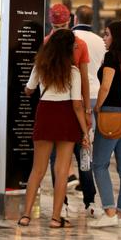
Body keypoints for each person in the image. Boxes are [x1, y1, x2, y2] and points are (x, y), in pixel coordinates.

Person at [18, 29, 89, 228]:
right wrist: (85, 131)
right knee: (61, 171)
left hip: (45, 114)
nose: (76, 48)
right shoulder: (73, 72)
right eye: (74, 45)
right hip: (66, 117)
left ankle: (25, 215)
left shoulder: (40, 66)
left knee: (37, 170)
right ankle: (56, 218)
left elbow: (29, 90)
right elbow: (76, 104)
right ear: (67, 48)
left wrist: (32, 88)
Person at [88, 21, 121, 228]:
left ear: (116, 37)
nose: (104, 38)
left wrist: (97, 107)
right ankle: (120, 215)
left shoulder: (111, 57)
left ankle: (109, 211)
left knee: (99, 164)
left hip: (110, 114)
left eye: (107, 34)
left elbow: (106, 86)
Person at [44, 4, 94, 214]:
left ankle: (89, 201)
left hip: (73, 107)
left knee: (83, 154)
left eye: (63, 26)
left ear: (70, 22)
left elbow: (84, 78)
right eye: (57, 27)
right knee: (58, 159)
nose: (60, 30)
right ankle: (61, 202)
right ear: (51, 24)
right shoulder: (47, 43)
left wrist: (87, 108)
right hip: (58, 108)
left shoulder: (79, 44)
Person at [72, 4, 105, 216]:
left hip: (75, 95)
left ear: (75, 18)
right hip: (95, 96)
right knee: (86, 150)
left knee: (66, 149)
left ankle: (67, 199)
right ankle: (90, 200)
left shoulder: (70, 39)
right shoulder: (101, 41)